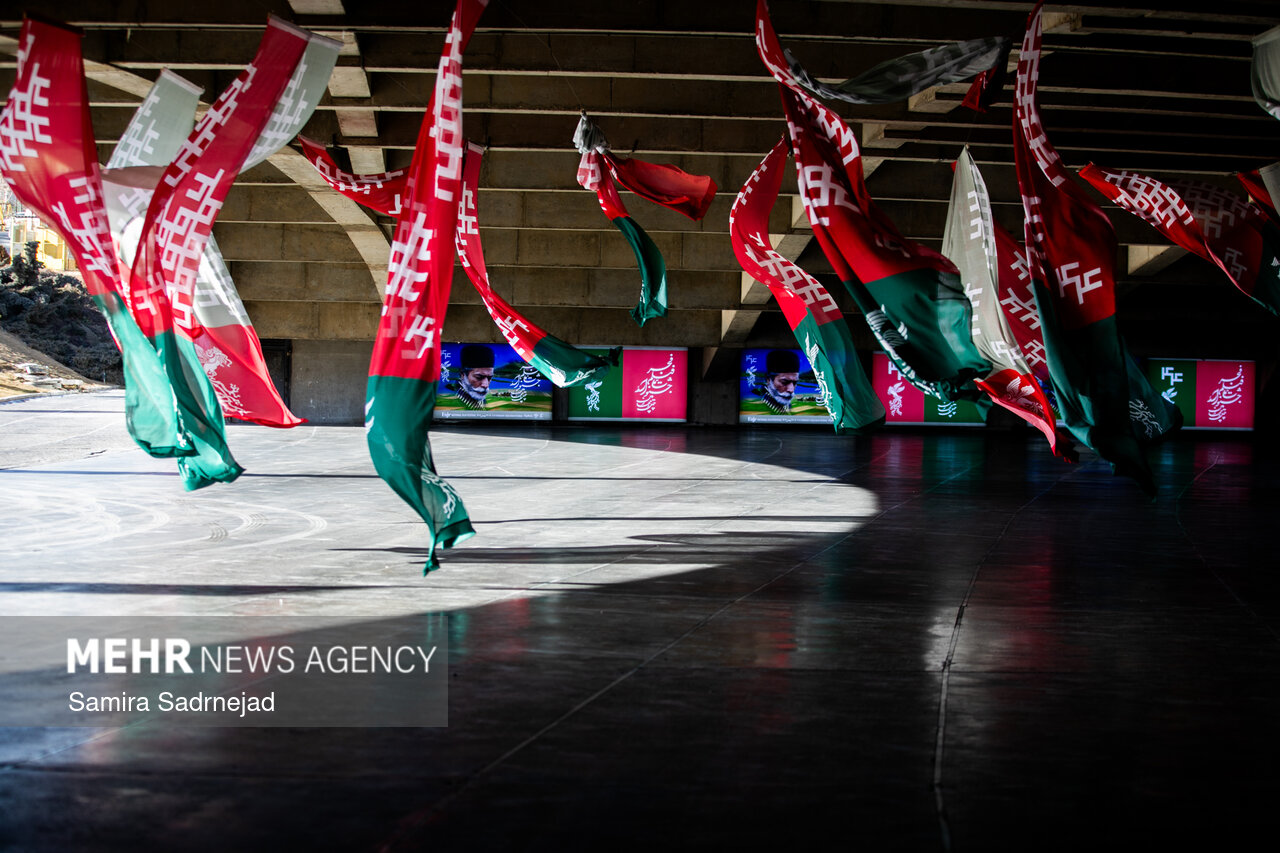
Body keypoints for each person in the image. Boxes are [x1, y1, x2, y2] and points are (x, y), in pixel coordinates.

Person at [753, 349, 799, 414]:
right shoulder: (757, 406)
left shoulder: (787, 405)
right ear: (768, 379)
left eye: (795, 383)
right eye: (784, 382)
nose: (791, 390)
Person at [451, 344, 495, 409]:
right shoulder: (453, 402)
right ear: (462, 374)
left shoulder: (483, 401)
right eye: (479, 377)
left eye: (489, 378)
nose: (485, 385)